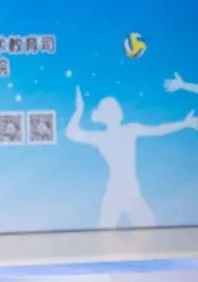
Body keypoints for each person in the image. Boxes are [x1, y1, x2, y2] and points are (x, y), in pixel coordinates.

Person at [65, 85, 196, 228]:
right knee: (108, 228)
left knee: (142, 226)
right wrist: (79, 110)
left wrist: (184, 123)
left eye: (115, 108)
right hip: (118, 190)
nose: (116, 111)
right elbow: (71, 133)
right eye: (112, 109)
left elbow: (158, 129)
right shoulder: (108, 135)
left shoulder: (125, 131)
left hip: (130, 190)